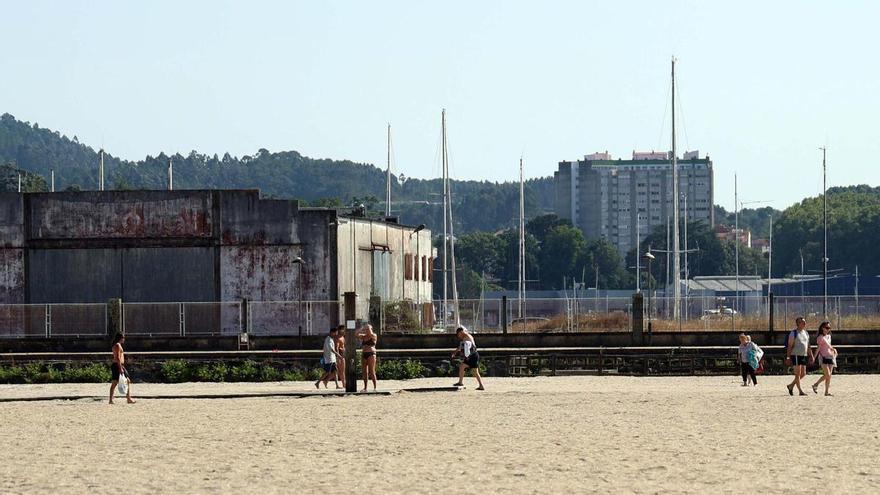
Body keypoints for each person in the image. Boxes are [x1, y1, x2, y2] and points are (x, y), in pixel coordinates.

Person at [451, 326, 485, 390]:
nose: (458, 336)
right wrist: (455, 352)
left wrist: (466, 356)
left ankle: (481, 385)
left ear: (461, 332)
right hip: (471, 356)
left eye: (458, 334)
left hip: (473, 356)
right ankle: (460, 382)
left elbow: (468, 348)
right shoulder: (464, 338)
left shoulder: (467, 337)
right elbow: (460, 346)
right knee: (462, 367)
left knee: (475, 371)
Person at [786, 317, 813, 396]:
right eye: (802, 322)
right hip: (796, 355)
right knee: (797, 374)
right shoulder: (793, 333)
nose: (804, 323)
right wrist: (788, 357)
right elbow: (790, 346)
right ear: (798, 323)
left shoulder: (806, 333)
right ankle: (800, 391)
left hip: (803, 355)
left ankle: (791, 386)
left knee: (803, 373)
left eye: (804, 322)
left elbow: (808, 345)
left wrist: (811, 355)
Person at [811, 321, 838, 396]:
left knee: (829, 376)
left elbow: (829, 346)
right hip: (823, 357)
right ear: (822, 328)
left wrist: (834, 350)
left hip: (831, 356)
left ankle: (826, 391)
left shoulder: (829, 336)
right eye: (826, 328)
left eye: (829, 328)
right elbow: (818, 348)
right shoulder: (820, 337)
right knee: (827, 374)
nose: (828, 329)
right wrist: (814, 357)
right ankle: (816, 384)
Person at [109, 332, 135, 404]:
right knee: (115, 382)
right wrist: (120, 368)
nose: (124, 339)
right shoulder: (117, 345)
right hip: (117, 365)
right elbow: (117, 357)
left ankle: (128, 398)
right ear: (120, 338)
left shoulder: (118, 345)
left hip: (118, 365)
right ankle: (126, 399)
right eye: (123, 338)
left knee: (127, 381)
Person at [356, 324, 378, 391]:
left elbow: (370, 334)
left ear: (371, 329)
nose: (367, 330)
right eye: (366, 329)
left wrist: (368, 327)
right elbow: (356, 334)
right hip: (364, 354)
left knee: (372, 371)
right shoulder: (363, 336)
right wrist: (361, 328)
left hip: (371, 354)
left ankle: (375, 387)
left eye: (368, 329)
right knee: (364, 371)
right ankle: (365, 387)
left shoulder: (373, 335)